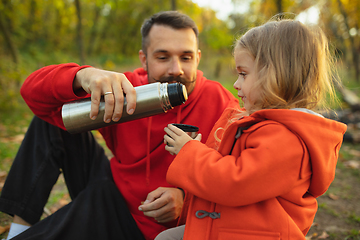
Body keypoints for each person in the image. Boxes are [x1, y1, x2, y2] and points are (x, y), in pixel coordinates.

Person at [0, 11, 239, 240]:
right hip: (115, 200)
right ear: (144, 59)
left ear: (197, 57)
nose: (175, 69)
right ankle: (18, 231)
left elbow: (236, 177)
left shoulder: (221, 102)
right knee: (56, 118)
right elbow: (34, 95)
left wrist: (186, 198)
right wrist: (83, 76)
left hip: (174, 229)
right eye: (163, 57)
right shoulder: (127, 90)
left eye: (185, 58)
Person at [159, 19, 347, 240]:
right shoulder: (266, 126)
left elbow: (234, 181)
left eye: (243, 74)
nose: (236, 84)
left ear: (275, 75)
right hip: (235, 225)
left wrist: (190, 152)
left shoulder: (287, 139)